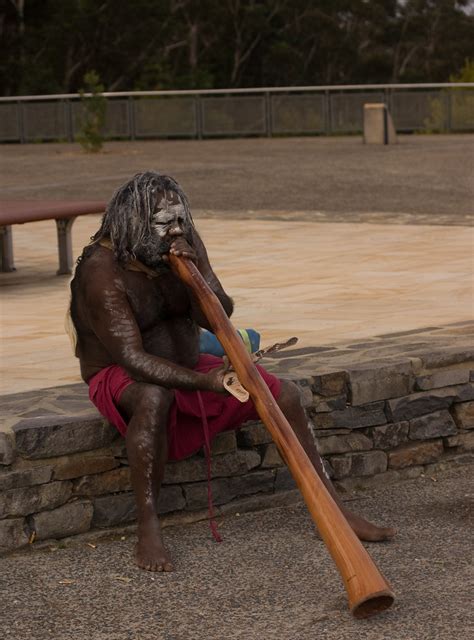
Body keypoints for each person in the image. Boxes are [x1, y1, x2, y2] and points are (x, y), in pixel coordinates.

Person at [69, 171, 394, 572]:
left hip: (189, 363)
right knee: (154, 397)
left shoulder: (181, 240)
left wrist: (195, 276)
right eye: (163, 223)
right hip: (122, 374)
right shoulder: (101, 272)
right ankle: (148, 527)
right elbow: (133, 359)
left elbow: (219, 312)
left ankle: (333, 509)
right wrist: (208, 382)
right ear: (134, 223)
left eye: (179, 220)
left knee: (285, 394)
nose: (174, 230)